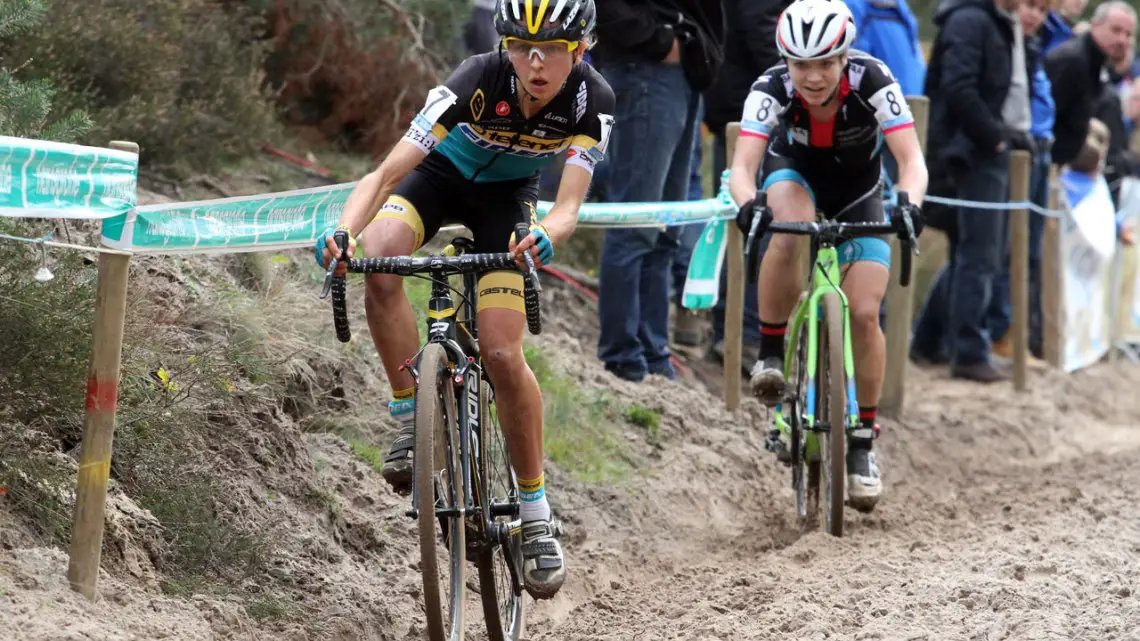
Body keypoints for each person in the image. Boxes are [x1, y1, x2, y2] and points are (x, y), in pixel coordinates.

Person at [314, 0, 614, 601]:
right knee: (381, 255)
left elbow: (569, 206)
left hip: (507, 204)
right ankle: (408, 414)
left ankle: (534, 513)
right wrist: (343, 230)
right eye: (522, 46)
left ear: (579, 51)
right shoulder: (474, 78)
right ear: (503, 44)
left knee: (503, 354)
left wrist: (546, 236)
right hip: (438, 181)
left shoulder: (592, 101)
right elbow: (384, 175)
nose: (535, 61)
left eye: (551, 49)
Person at [729, 0, 928, 511]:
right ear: (786, 61)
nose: (812, 77)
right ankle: (771, 350)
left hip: (861, 194)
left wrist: (908, 204)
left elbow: (911, 161)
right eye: (801, 65)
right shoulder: (769, 88)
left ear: (844, 58)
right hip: (793, 177)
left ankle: (862, 440)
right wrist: (748, 204)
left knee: (864, 312)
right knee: (790, 231)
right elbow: (743, 167)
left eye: (824, 63)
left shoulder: (874, 79)